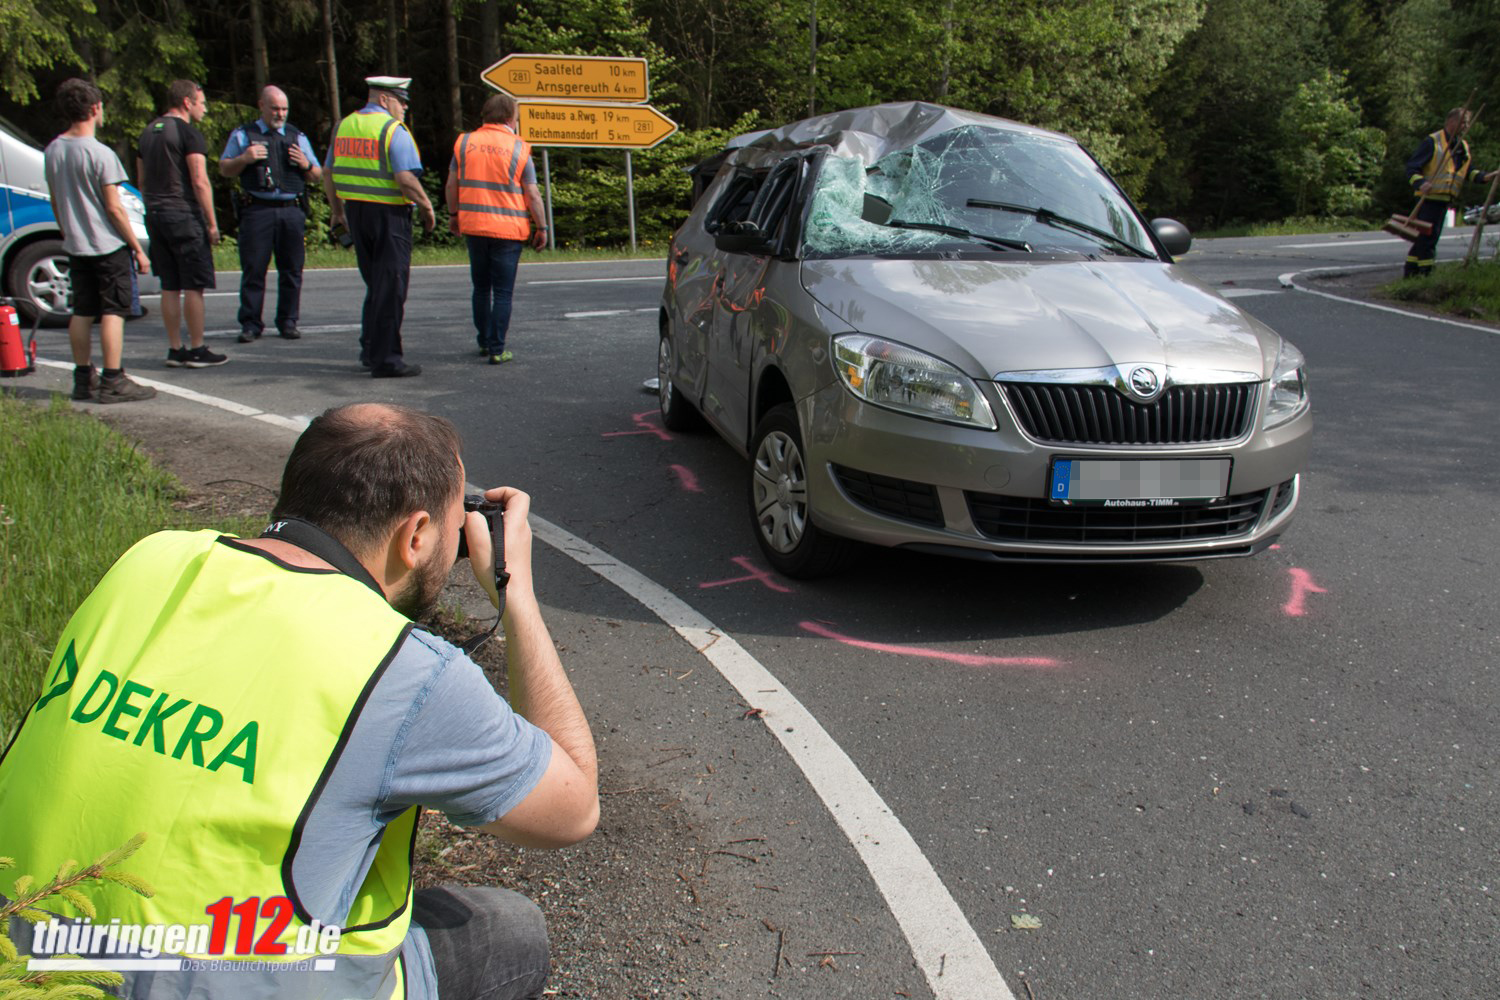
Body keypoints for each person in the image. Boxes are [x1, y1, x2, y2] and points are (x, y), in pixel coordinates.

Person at [0, 402, 599, 1000]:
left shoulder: (149, 560)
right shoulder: (404, 671)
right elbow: (573, 812)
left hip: (22, 956)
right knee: (510, 931)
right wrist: (514, 591)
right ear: (415, 536)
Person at [41, 79, 157, 403]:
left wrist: (67, 229)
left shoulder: (53, 150)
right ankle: (113, 379)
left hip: (76, 246)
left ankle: (83, 379)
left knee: (82, 311)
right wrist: (136, 248)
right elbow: (114, 207)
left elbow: (55, 199)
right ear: (95, 108)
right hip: (107, 246)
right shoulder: (100, 154)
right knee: (113, 312)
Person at [323, 76, 437, 378]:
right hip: (389, 216)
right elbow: (405, 178)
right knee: (392, 287)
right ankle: (386, 359)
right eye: (402, 102)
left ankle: (370, 348)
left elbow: (328, 171)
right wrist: (427, 207)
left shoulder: (343, 126)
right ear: (385, 99)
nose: (404, 109)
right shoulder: (392, 130)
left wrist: (337, 212)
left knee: (376, 284)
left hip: (357, 214)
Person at [445, 93, 548, 365]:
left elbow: (451, 184)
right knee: (503, 292)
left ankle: (483, 341)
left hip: (474, 226)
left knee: (481, 288)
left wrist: (454, 214)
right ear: (509, 118)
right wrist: (542, 227)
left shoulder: (465, 142)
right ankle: (497, 348)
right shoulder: (519, 148)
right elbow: (533, 194)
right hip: (508, 231)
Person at [219, 85, 322, 343]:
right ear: (261, 106)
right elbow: (225, 169)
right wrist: (245, 158)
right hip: (257, 210)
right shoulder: (244, 134)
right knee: (253, 269)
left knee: (292, 269)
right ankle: (251, 324)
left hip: (291, 210)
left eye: (284, 109)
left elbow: (317, 175)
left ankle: (288, 321)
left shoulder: (296, 136)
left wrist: (305, 164)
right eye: (275, 108)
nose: (280, 114)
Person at [138, 78, 228, 366]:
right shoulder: (188, 134)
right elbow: (199, 180)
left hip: (155, 213)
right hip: (183, 214)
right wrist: (212, 223)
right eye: (201, 103)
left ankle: (175, 348)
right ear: (187, 102)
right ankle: (197, 348)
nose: (204, 109)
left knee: (169, 285)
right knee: (193, 286)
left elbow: (141, 180)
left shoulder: (148, 131)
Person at [1401, 107, 1498, 278]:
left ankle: (1411, 272)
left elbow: (1468, 171)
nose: (1466, 126)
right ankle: (1425, 273)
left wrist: (1485, 177)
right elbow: (1412, 168)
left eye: (1467, 123)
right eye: (1463, 123)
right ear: (1451, 122)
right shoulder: (1433, 142)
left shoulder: (1462, 147)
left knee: (1425, 238)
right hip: (1429, 198)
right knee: (1428, 238)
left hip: (1445, 199)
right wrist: (1420, 183)